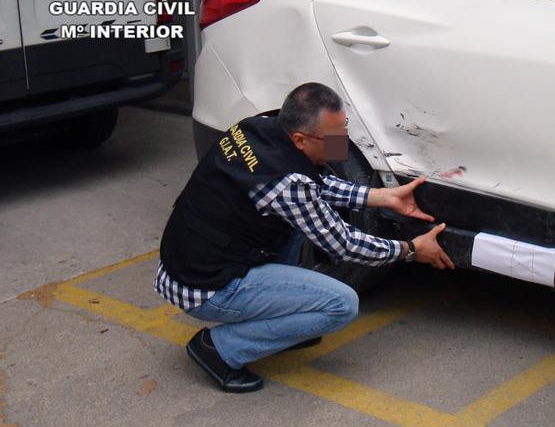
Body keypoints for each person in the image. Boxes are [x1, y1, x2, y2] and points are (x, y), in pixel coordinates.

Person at [155, 82, 454, 393]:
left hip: (191, 255)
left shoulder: (260, 126)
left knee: (302, 222)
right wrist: (410, 250)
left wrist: (381, 197)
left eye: (344, 130)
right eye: (333, 138)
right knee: (341, 305)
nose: (341, 144)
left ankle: (286, 325)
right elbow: (344, 244)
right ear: (299, 139)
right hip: (206, 284)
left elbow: (316, 183)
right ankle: (219, 348)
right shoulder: (286, 181)